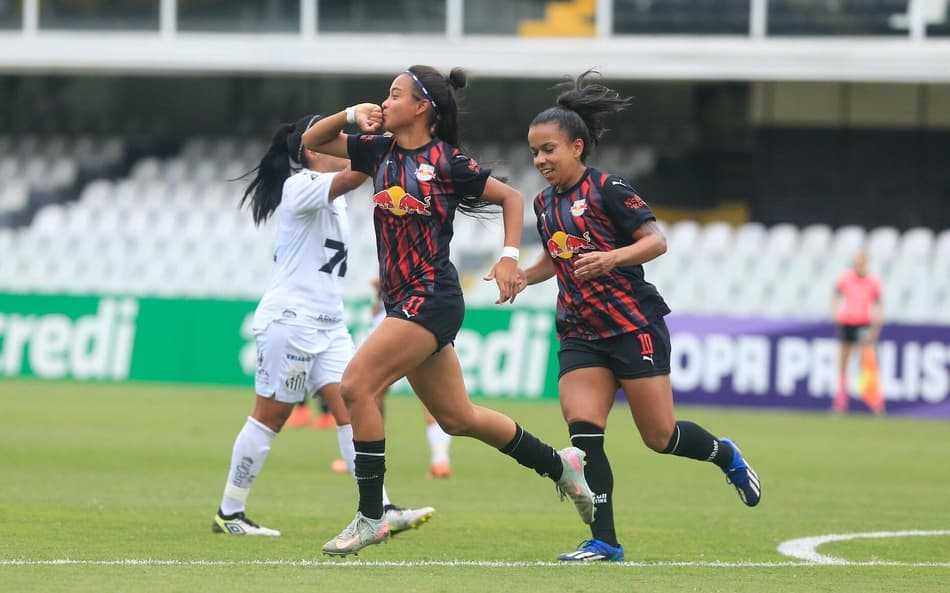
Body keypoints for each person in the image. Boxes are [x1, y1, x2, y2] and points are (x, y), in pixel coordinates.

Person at [301, 65, 595, 557]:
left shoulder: (447, 162)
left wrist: (508, 258)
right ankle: (560, 465)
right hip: (402, 299)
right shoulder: (378, 151)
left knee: (355, 386)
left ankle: (372, 516)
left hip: (430, 297)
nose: (385, 101)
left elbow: (513, 198)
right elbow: (311, 140)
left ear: (422, 108)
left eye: (394, 95)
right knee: (458, 418)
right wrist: (352, 114)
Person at [517, 70, 762, 562]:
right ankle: (605, 541)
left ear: (578, 147)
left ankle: (726, 455)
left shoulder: (610, 188)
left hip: (632, 326)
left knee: (660, 437)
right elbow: (556, 256)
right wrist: (524, 277)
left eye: (549, 150)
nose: (541, 160)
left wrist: (612, 257)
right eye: (535, 152)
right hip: (580, 330)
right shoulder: (544, 204)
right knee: (583, 437)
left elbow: (656, 240)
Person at [212, 114, 434, 537]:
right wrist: (371, 131)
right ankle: (230, 512)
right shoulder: (301, 186)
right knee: (270, 418)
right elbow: (354, 177)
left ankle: (379, 506)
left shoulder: (335, 198)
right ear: (313, 150)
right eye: (338, 138)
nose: (346, 143)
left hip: (330, 325)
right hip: (292, 322)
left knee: (354, 407)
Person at [368, 277, 453, 479]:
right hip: (428, 324)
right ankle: (441, 460)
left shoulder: (399, 263)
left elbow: (379, 309)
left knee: (369, 393)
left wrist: (380, 286)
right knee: (434, 402)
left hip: (396, 328)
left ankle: (366, 456)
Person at [832, 251, 884, 414]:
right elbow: (834, 296)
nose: (860, 265)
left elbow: (878, 305)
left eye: (862, 262)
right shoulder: (845, 278)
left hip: (863, 323)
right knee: (843, 361)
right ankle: (841, 399)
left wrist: (876, 327)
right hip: (847, 322)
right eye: (857, 262)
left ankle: (873, 401)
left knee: (867, 361)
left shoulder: (873, 281)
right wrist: (836, 314)